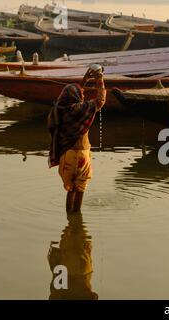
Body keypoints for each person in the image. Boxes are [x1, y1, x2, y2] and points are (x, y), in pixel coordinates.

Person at [48, 66, 106, 213]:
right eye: (81, 94)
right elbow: (100, 100)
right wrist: (99, 79)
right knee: (80, 189)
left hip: (66, 156)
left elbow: (74, 90)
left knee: (70, 189)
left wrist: (85, 79)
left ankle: (69, 218)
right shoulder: (82, 109)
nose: (83, 95)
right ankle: (76, 221)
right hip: (82, 154)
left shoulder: (59, 109)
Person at [48, 212, 98, 300]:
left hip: (77, 270)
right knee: (75, 226)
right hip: (71, 269)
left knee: (76, 227)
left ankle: (74, 214)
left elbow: (94, 296)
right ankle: (74, 214)